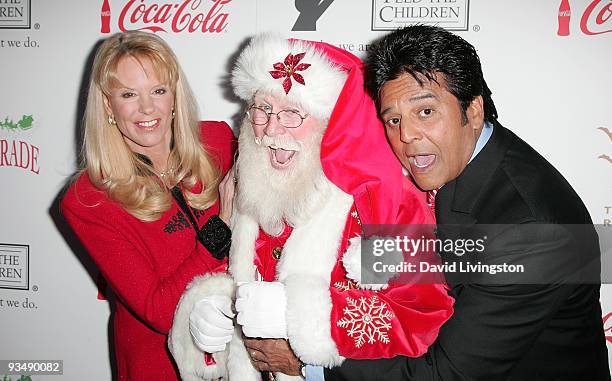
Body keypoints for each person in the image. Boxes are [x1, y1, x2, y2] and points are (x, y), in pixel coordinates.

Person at [324, 25, 610, 380]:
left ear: (473, 111)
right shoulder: (454, 162)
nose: (406, 135)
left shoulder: (529, 231)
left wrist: (314, 358)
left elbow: (446, 375)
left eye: (425, 112)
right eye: (393, 119)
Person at [169, 35, 454, 381]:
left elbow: (420, 317)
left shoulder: (386, 204)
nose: (272, 129)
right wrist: (214, 305)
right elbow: (236, 278)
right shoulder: (249, 183)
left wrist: (306, 318)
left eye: (293, 113)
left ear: (329, 125)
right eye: (263, 109)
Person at [61, 31, 235, 381]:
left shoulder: (218, 140)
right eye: (128, 94)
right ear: (108, 105)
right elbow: (159, 309)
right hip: (161, 367)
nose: (147, 109)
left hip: (240, 357)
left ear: (174, 95)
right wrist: (222, 229)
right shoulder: (89, 199)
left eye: (158, 90)